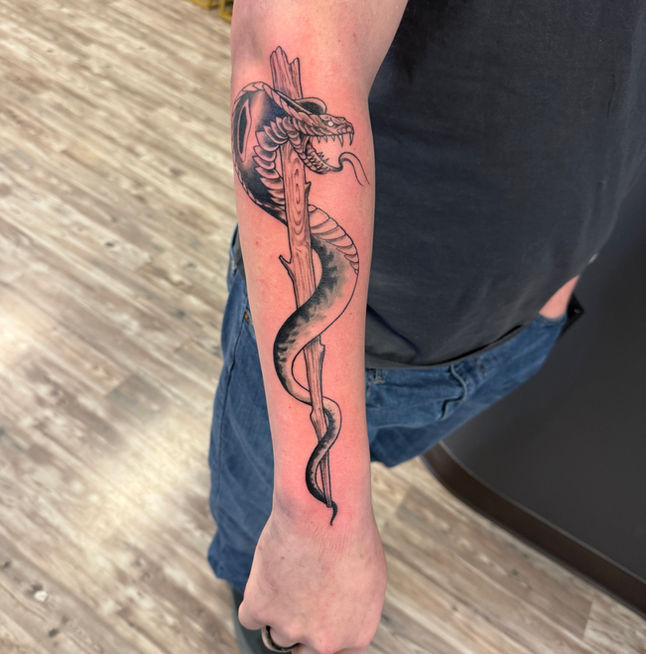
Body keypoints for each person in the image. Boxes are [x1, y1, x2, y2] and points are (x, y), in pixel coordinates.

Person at [207, 2, 646, 652]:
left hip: (517, 330)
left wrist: (557, 287)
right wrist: (320, 524)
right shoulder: (289, 131)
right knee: (271, 557)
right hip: (354, 352)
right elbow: (293, 40)